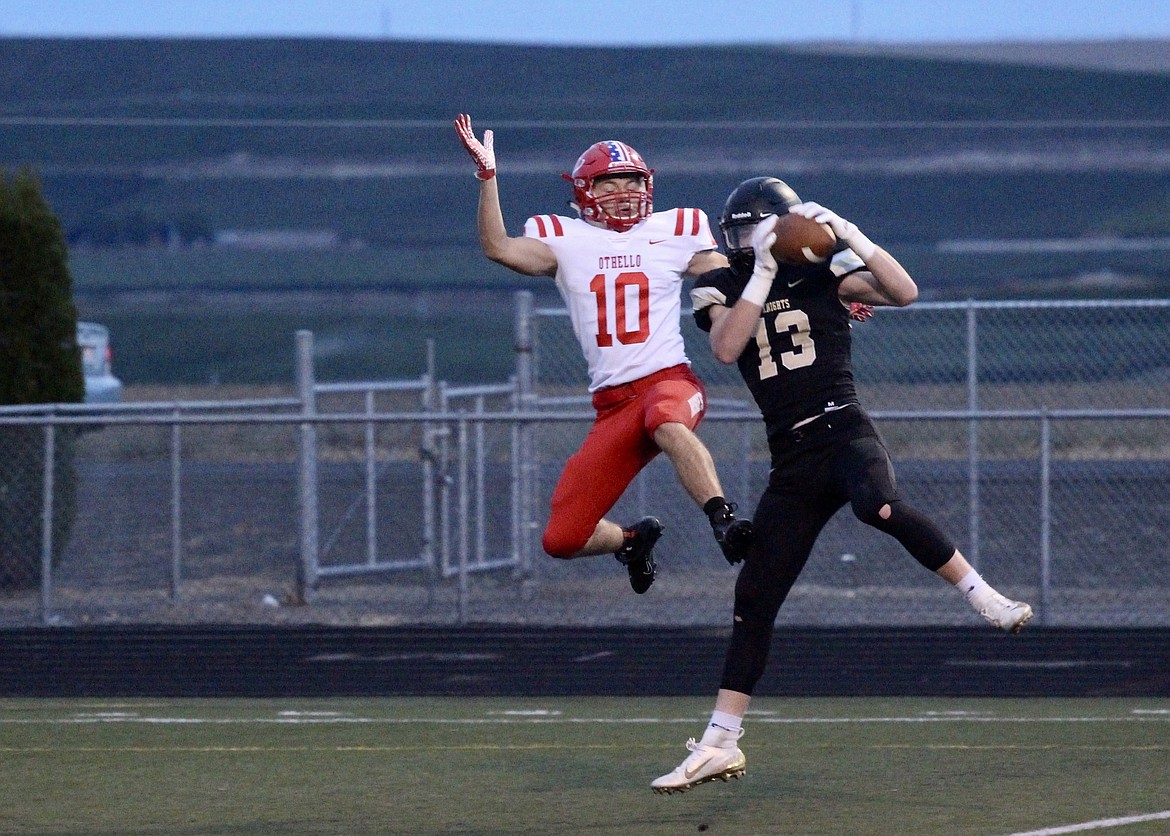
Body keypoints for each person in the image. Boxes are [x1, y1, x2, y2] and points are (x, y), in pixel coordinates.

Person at [650, 176, 1034, 794]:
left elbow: (904, 292)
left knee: (878, 505)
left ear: (786, 225)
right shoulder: (721, 283)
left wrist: (853, 235)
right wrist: (764, 272)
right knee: (754, 598)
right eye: (741, 232)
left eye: (757, 228)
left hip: (844, 429)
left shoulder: (823, 271)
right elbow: (726, 348)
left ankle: (982, 594)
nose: (746, 240)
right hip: (793, 457)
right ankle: (720, 743)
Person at [453, 113, 753, 593]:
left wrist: (826, 291)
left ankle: (724, 519)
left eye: (632, 181)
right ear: (583, 192)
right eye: (610, 183)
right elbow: (499, 247)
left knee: (665, 418)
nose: (624, 192)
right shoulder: (561, 237)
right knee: (562, 538)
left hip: (669, 381)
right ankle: (631, 541)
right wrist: (487, 179)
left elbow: (737, 276)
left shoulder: (678, 228)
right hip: (612, 406)